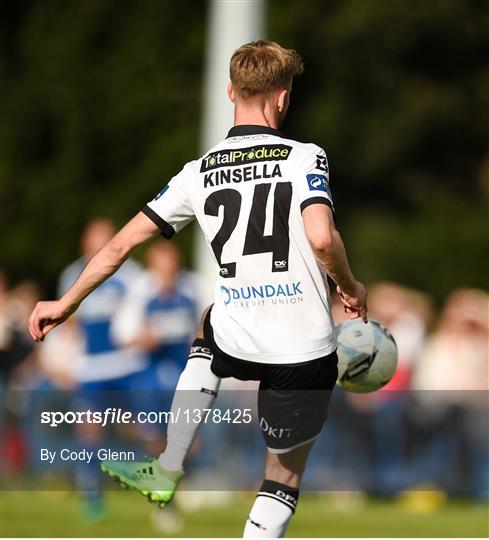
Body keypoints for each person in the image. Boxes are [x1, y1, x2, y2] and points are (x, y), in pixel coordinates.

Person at [28, 41, 367, 538]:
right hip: (305, 345)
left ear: (230, 91)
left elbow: (121, 246)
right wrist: (350, 285)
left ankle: (167, 466)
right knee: (282, 476)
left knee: (210, 322)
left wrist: (66, 302)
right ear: (282, 97)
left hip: (239, 333)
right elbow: (320, 237)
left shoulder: (197, 173)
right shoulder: (305, 156)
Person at [58, 218, 146, 521]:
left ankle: (156, 482)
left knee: (140, 430)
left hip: (126, 367)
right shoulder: (72, 274)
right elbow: (70, 327)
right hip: (91, 370)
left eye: (104, 237)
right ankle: (91, 494)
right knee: (89, 430)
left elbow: (139, 320)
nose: (98, 243)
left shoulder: (132, 276)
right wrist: (68, 363)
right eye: (93, 237)